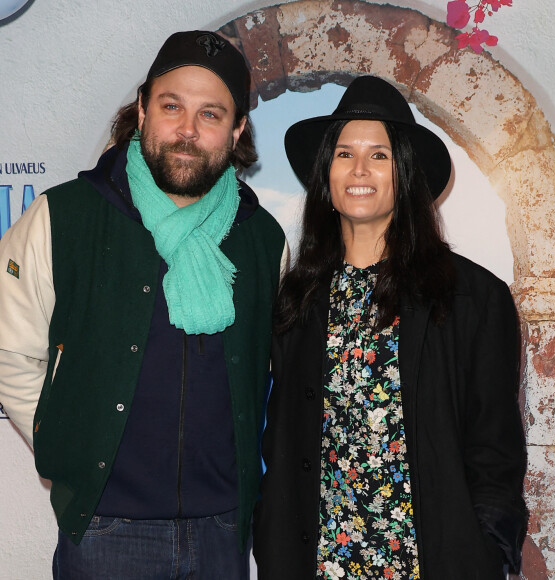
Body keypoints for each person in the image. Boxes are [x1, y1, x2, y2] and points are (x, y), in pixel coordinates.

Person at [0, 30, 286, 579]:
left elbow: (273, 372)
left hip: (224, 531)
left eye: (211, 114)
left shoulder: (264, 239)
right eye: (171, 106)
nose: (187, 130)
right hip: (106, 529)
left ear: (238, 128)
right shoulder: (64, 218)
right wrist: (70, 441)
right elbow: (11, 351)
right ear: (142, 109)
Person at [253, 75, 527, 579]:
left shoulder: (473, 299)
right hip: (318, 564)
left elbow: (495, 452)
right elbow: (278, 439)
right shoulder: (297, 298)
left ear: (404, 172)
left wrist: (489, 550)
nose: (360, 169)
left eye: (378, 155)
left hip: (433, 564)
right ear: (326, 174)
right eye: (343, 154)